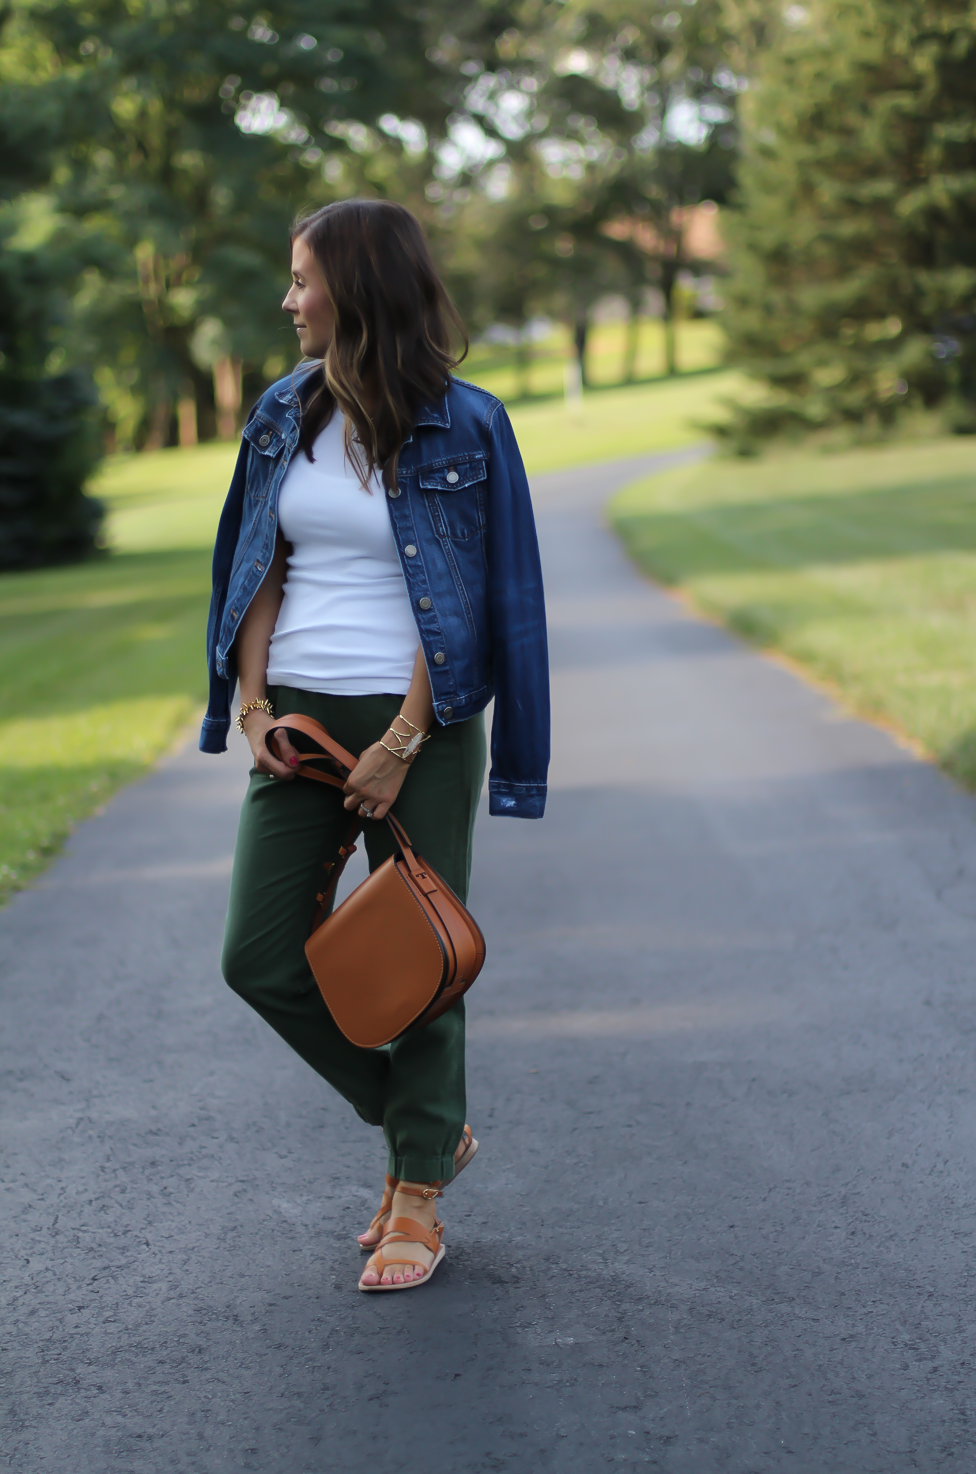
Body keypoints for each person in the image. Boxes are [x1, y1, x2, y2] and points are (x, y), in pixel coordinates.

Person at [200, 198, 549, 1292]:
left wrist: (403, 736)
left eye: (303, 279)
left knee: (421, 965)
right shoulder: (280, 413)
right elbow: (256, 566)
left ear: (355, 288)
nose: (289, 299)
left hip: (425, 725)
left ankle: (415, 1200)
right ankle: (421, 1125)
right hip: (299, 717)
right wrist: (253, 709)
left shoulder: (469, 423)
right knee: (257, 956)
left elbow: (486, 601)